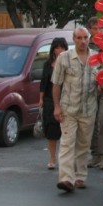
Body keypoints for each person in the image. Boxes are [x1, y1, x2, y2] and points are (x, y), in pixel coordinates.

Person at [52, 27, 98, 192]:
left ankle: (80, 176)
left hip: (88, 109)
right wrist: (57, 107)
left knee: (83, 144)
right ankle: (66, 178)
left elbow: (101, 83)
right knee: (67, 144)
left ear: (89, 38)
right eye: (79, 38)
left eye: (85, 37)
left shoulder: (96, 58)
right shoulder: (64, 58)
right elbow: (56, 84)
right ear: (73, 39)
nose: (82, 41)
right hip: (68, 108)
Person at [39, 37, 69, 170]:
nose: (60, 50)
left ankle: (67, 159)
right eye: (57, 47)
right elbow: (43, 82)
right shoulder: (48, 64)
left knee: (67, 131)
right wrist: (41, 98)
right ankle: (52, 157)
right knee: (51, 131)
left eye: (62, 47)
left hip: (67, 99)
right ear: (53, 49)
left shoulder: (69, 63)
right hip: (50, 100)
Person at [87, 16, 103, 170]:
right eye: (94, 29)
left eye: (100, 28)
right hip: (89, 88)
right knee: (91, 121)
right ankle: (95, 154)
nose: (97, 31)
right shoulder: (86, 46)